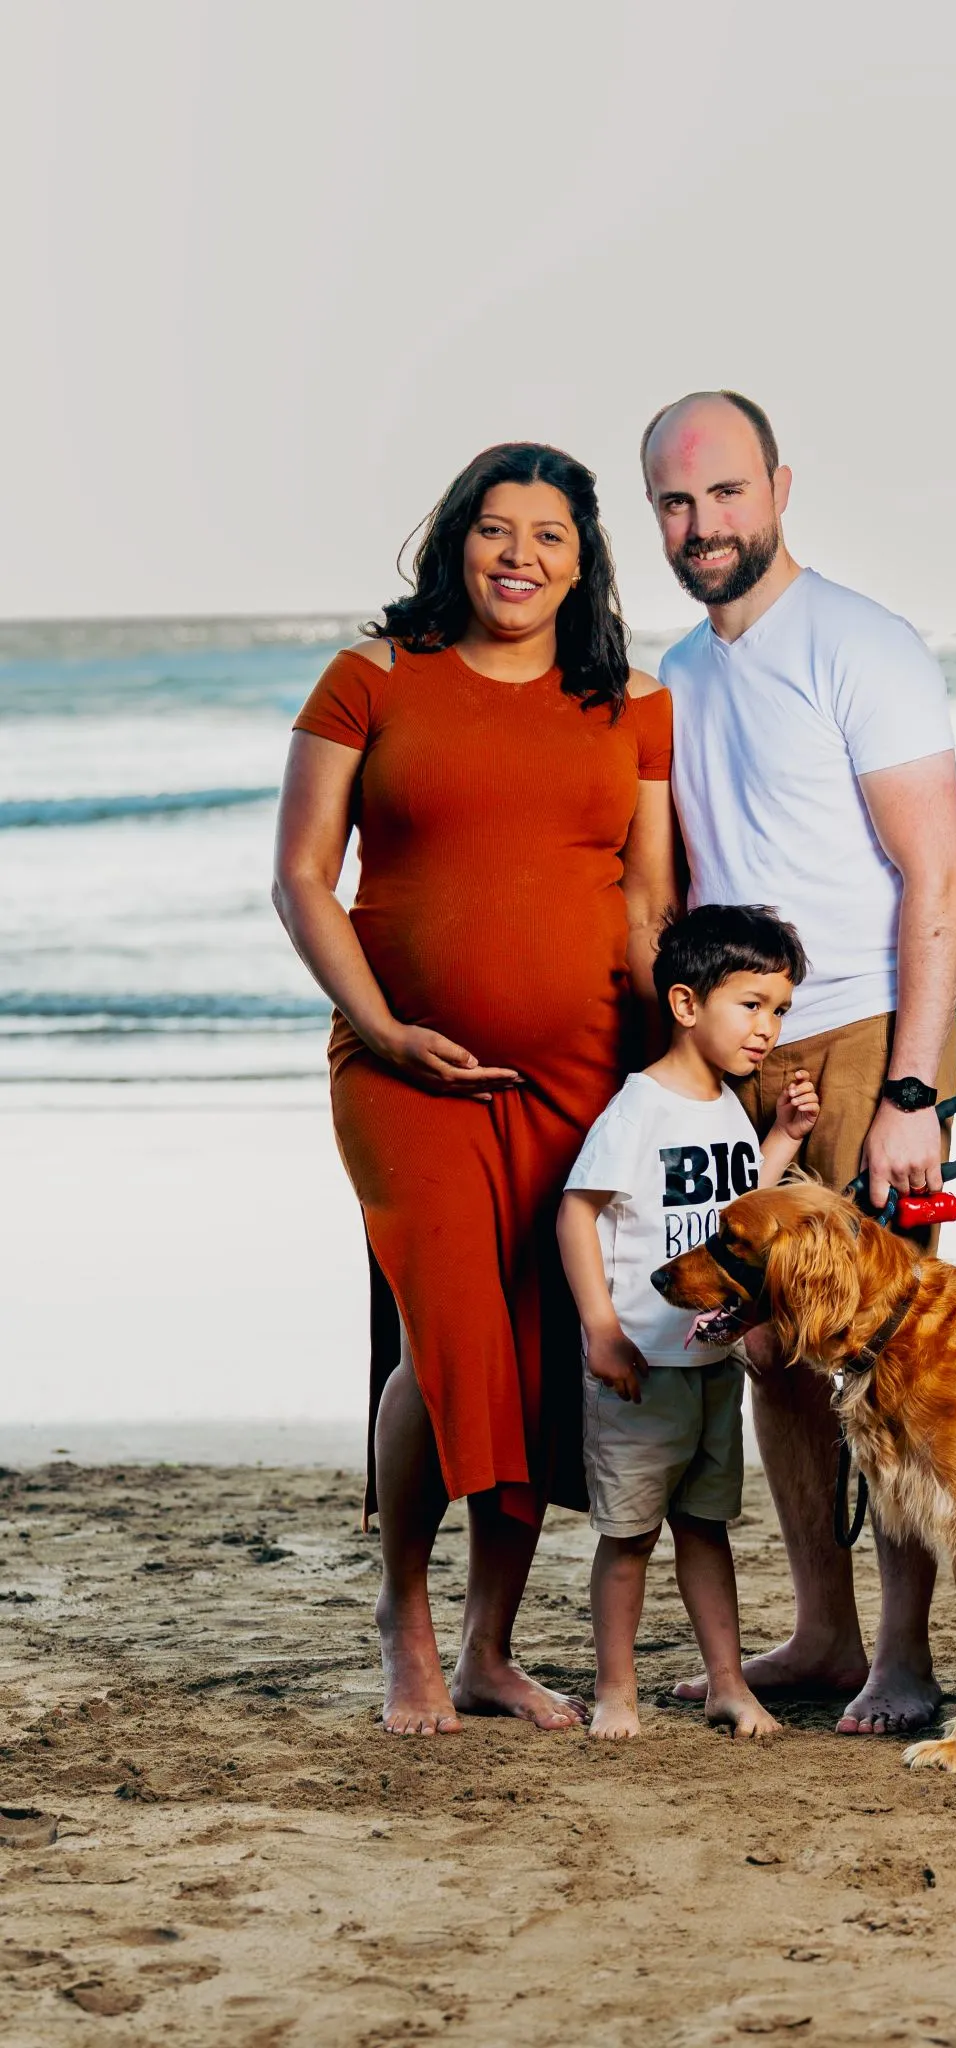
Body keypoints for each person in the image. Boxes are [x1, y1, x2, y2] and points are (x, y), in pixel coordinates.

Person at [272, 442, 678, 1736]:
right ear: (456, 538)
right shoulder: (372, 677)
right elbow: (300, 877)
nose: (519, 555)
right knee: (447, 1336)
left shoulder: (634, 702)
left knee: (542, 1347)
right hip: (404, 1071)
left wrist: (664, 1072)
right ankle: (403, 1614)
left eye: (549, 534)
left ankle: (488, 1649)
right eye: (496, 528)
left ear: (582, 558)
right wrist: (383, 1028)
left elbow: (646, 903)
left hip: (581, 1074)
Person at [641, 390, 956, 1737]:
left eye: (725, 492)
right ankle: (825, 1633)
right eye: (676, 501)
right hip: (738, 1045)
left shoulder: (860, 643)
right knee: (772, 1353)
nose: (703, 523)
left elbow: (938, 876)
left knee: (888, 1357)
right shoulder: (675, 674)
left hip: (860, 1033)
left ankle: (903, 1654)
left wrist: (912, 1090)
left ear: (778, 488)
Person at [556, 905, 820, 1741]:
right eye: (751, 1005)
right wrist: (600, 1328)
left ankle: (727, 1685)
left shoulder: (728, 1107)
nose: (767, 1027)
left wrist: (783, 1139)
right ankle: (615, 1691)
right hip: (641, 1367)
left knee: (707, 1530)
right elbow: (575, 1213)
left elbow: (735, 1209)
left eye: (779, 1009)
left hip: (712, 1367)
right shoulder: (641, 1108)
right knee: (629, 1537)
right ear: (684, 1003)